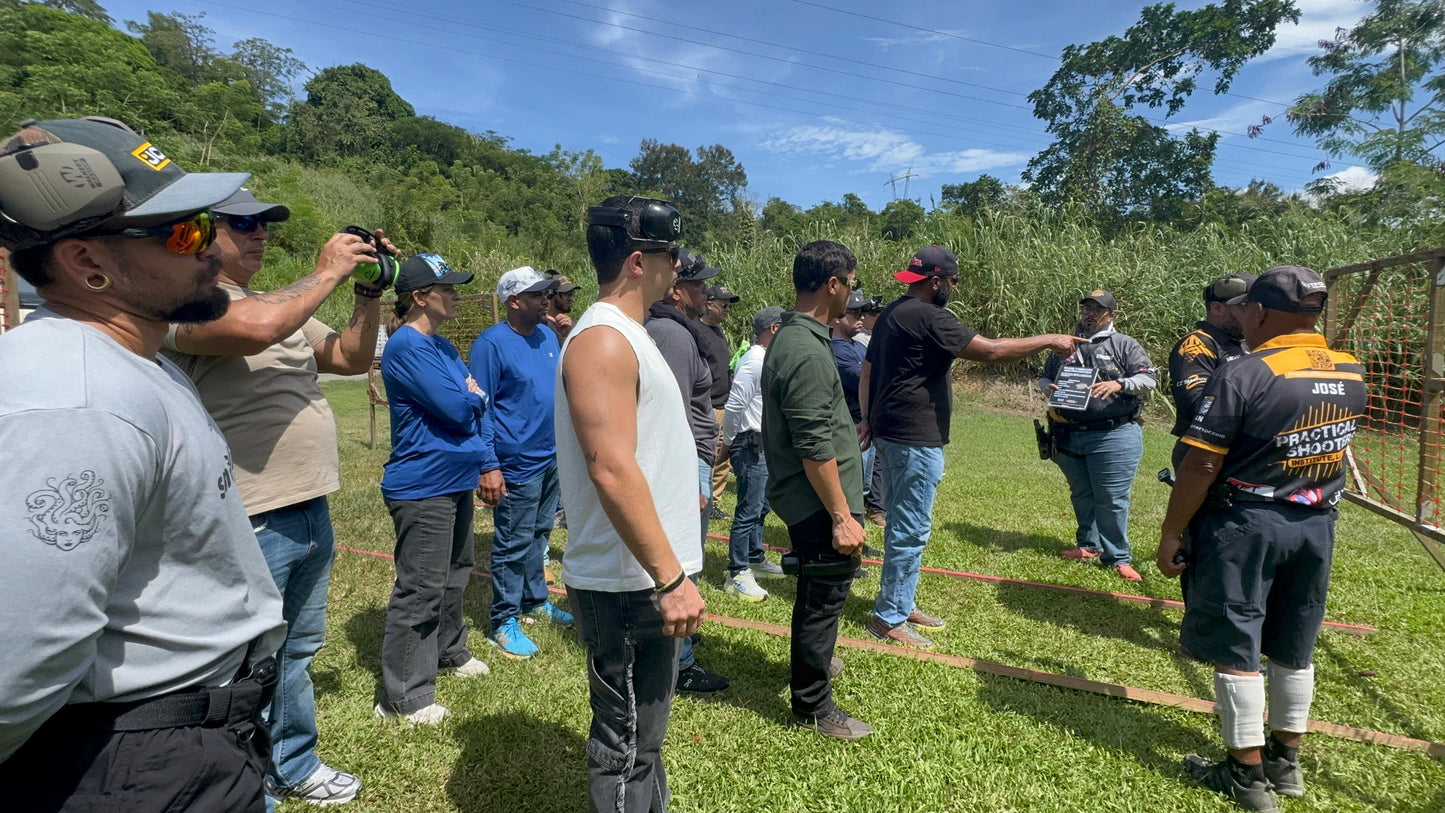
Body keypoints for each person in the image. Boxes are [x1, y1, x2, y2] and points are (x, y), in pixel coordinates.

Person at [0, 116, 286, 811]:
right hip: (133, 765)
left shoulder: (131, 360)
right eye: (182, 231)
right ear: (85, 262)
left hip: (174, 745)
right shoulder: (78, 401)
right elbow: (16, 663)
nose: (212, 247)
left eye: (204, 223)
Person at [160, 188, 393, 805]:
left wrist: (367, 294)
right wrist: (325, 272)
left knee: (295, 647)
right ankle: (238, 781)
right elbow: (256, 328)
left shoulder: (277, 303)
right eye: (243, 223)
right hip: (248, 512)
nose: (259, 232)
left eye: (265, 223)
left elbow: (349, 356)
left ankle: (291, 762)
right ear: (203, 233)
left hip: (310, 504)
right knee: (238, 664)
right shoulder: (186, 303)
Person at [1158, 266, 1365, 812]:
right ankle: (1285, 761)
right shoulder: (1350, 369)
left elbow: (1202, 463)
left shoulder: (1247, 372)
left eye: (1248, 309)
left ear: (1263, 313)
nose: (1243, 318)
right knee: (1295, 645)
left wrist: (1172, 530)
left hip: (1248, 523)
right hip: (1316, 522)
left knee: (1238, 645)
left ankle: (1245, 776)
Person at [560, 195, 706, 811]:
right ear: (641, 261)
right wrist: (669, 576)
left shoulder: (628, 336)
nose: (679, 269)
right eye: (673, 256)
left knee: (646, 739)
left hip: (641, 575)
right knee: (625, 747)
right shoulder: (604, 340)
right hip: (629, 583)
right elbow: (611, 469)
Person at [861, 245, 1084, 648]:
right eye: (952, 281)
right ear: (936, 282)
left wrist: (866, 418)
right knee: (910, 529)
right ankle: (888, 617)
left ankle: (900, 601)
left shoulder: (893, 311)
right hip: (913, 437)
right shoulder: (931, 315)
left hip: (890, 433)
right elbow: (991, 350)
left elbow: (869, 369)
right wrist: (1051, 339)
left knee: (900, 522)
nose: (953, 288)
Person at [762, 240, 871, 741]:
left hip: (818, 500)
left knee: (821, 594)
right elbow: (812, 445)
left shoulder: (802, 336)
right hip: (818, 504)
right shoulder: (804, 348)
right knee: (823, 597)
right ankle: (812, 704)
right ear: (833, 285)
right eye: (851, 282)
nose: (853, 292)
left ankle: (819, 659)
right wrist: (842, 516)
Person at [375, 253, 491, 725]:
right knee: (421, 587)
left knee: (456, 572)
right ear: (420, 297)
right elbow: (459, 407)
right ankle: (404, 695)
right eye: (448, 289)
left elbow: (469, 400)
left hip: (454, 477)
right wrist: (472, 396)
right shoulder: (408, 347)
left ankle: (450, 650)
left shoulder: (441, 346)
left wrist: (471, 398)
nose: (457, 295)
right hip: (422, 484)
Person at [469, 266, 573, 660]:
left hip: (551, 457)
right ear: (513, 301)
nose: (546, 299)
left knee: (540, 532)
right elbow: (481, 408)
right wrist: (488, 464)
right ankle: (503, 619)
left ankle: (534, 600)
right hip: (515, 463)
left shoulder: (548, 335)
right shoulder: (491, 345)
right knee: (512, 542)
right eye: (536, 295)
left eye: (546, 293)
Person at [644, 249, 730, 696]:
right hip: (687, 462)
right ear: (678, 291)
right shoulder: (673, 336)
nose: (706, 292)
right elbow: (673, 413)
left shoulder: (674, 330)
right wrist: (690, 475)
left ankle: (679, 653)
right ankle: (679, 665)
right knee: (684, 565)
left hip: (693, 460)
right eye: (698, 285)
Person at [1038, 290, 1158, 582]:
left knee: (1112, 498)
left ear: (1111, 316)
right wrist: (1046, 387)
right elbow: (1045, 375)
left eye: (1097, 309)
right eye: (1086, 309)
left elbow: (1149, 378)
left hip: (1113, 433)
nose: (1090, 314)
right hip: (1068, 432)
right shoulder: (1066, 345)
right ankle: (1088, 545)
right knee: (1081, 493)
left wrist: (1120, 384)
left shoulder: (1124, 344)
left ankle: (1117, 557)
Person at [720, 305, 787, 602]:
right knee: (748, 509)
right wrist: (731, 442)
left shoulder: (768, 359)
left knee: (761, 506)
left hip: (765, 443)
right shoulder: (755, 361)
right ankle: (736, 571)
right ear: (773, 329)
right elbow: (735, 405)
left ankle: (755, 555)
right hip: (750, 443)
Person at [1169, 274, 1256, 469]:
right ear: (1217, 308)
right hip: (1204, 454)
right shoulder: (1197, 344)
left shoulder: (1245, 343)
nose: (1254, 314)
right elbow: (1196, 405)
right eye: (1245, 307)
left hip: (1239, 453)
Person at [831, 290, 880, 543]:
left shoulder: (854, 346)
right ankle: (847, 535)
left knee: (861, 487)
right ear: (838, 317)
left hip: (860, 423)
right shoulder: (837, 349)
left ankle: (857, 535)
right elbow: (867, 379)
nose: (861, 317)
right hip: (849, 424)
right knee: (850, 487)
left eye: (863, 312)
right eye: (854, 312)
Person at [703, 283, 739, 520]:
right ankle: (704, 500)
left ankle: (713, 501)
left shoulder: (718, 331)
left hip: (724, 403)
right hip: (708, 404)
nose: (727, 310)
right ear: (709, 304)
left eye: (729, 306)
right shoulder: (697, 330)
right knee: (710, 455)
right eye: (723, 305)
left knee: (722, 458)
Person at [856, 295, 887, 525]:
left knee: (873, 468)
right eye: (872, 313)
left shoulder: (874, 337)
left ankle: (876, 506)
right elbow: (863, 376)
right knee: (861, 475)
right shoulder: (857, 340)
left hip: (872, 412)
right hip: (858, 415)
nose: (877, 317)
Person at [544, 268, 580, 344]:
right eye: (566, 294)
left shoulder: (573, 326)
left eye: (571, 294)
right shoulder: (542, 325)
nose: (570, 298)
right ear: (551, 295)